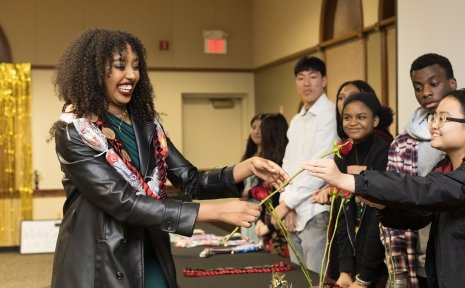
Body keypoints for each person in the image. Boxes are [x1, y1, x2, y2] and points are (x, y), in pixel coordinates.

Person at [48, 28, 288, 288]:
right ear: (95, 72)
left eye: (136, 66)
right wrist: (214, 211)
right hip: (101, 260)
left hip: (151, 248)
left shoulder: (148, 127)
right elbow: (123, 202)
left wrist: (248, 167)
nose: (132, 75)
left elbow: (192, 181)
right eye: (120, 66)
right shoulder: (75, 132)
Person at [304, 88, 465, 288]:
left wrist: (348, 180)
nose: (433, 125)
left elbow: (423, 189)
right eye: (434, 118)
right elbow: (420, 215)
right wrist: (381, 205)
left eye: (444, 119)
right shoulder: (444, 168)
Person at [380, 53, 457, 288]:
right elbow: (393, 206)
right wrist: (398, 269)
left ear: (452, 84)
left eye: (434, 84)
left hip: (461, 258)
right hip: (419, 259)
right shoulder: (403, 144)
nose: (426, 92)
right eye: (418, 87)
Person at [312, 92, 393, 287]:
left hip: (378, 257)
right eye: (347, 117)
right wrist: (345, 270)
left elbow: (378, 216)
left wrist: (363, 278)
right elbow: (340, 212)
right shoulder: (342, 152)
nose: (353, 122)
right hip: (350, 254)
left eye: (361, 117)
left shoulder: (386, 151)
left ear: (375, 121)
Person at [273, 56, 337, 273]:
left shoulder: (329, 114)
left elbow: (320, 166)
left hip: (314, 210)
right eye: (301, 78)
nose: (306, 83)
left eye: (313, 77)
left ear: (324, 80)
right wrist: (287, 202)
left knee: (315, 278)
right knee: (297, 277)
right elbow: (287, 164)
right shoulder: (297, 119)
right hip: (293, 210)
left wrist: (287, 203)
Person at [251, 113, 290, 257]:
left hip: (280, 227)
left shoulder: (284, 163)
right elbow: (264, 197)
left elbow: (282, 199)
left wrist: (270, 226)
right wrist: (260, 222)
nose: (259, 134)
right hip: (268, 224)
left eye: (263, 131)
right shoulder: (266, 159)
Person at [240, 113, 267, 244]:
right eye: (253, 127)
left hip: (261, 209)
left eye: (261, 128)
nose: (257, 131)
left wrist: (250, 192)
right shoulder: (248, 155)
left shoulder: (270, 157)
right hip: (245, 206)